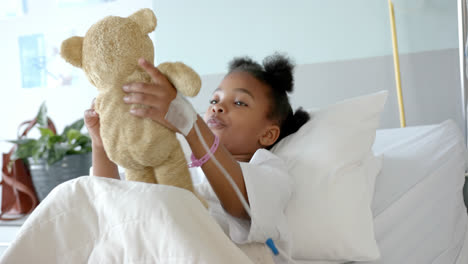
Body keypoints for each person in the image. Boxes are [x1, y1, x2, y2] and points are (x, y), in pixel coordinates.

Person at [84, 53, 310, 263]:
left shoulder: (269, 169)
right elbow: (111, 200)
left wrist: (190, 124)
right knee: (73, 196)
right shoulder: (178, 161)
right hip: (152, 250)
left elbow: (239, 202)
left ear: (268, 134)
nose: (218, 107)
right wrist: (102, 144)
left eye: (239, 102)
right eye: (214, 100)